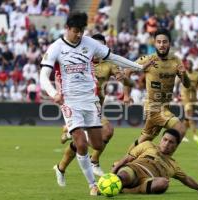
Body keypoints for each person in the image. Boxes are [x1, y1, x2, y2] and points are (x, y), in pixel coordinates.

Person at [40, 12, 149, 195]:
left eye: (82, 31)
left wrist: (138, 67)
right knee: (82, 144)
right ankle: (92, 185)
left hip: (90, 101)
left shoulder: (90, 43)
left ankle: (63, 159)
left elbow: (113, 57)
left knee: (97, 144)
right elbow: (43, 75)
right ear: (67, 29)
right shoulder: (56, 48)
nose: (79, 35)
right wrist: (53, 93)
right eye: (76, 31)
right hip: (70, 101)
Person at [56, 33, 133, 181]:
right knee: (85, 142)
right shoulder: (80, 62)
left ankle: (86, 161)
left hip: (95, 110)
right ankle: (65, 167)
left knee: (105, 133)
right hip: (77, 107)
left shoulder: (109, 64)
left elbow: (123, 78)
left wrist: (126, 94)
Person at [124, 28, 190, 150]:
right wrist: (126, 95)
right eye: (159, 42)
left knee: (143, 140)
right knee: (180, 129)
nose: (162, 45)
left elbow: (187, 84)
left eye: (164, 42)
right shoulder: (149, 60)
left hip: (164, 107)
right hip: (153, 107)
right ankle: (161, 159)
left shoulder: (175, 60)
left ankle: (119, 164)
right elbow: (127, 70)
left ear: (169, 43)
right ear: (154, 43)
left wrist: (184, 74)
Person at [112, 129, 198, 194]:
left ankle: (126, 190)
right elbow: (126, 159)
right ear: (161, 140)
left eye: (171, 142)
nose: (166, 144)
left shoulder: (174, 165)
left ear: (176, 146)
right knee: (124, 175)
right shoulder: (147, 145)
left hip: (148, 180)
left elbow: (187, 180)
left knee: (163, 183)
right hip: (135, 169)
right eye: (165, 140)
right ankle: (111, 184)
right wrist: (112, 174)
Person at [179, 59, 198, 142]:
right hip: (185, 97)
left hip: (193, 97)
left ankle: (181, 135)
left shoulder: (196, 74)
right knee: (190, 115)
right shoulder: (183, 73)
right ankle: (195, 135)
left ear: (192, 65)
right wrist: (177, 94)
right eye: (187, 64)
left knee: (187, 119)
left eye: (189, 64)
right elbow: (177, 83)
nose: (188, 65)